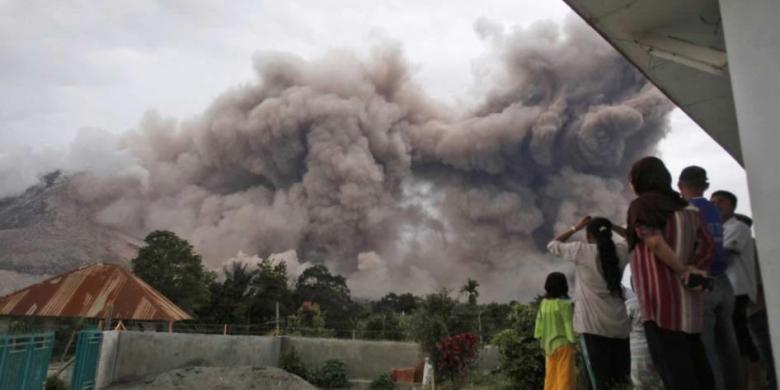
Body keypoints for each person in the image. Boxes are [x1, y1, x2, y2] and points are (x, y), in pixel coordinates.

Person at [625, 156, 714, 390]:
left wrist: (682, 269)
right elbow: (707, 245)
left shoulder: (642, 206)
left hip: (659, 305)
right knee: (698, 366)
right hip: (690, 306)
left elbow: (653, 241)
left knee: (675, 372)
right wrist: (695, 269)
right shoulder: (689, 209)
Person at [547, 216, 630, 389]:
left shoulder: (581, 251)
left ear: (589, 236)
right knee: (622, 379)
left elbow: (552, 245)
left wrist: (575, 227)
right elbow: (633, 237)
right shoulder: (621, 251)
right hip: (620, 325)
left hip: (592, 326)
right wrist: (611, 225)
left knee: (600, 380)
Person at [677, 166, 742, 390]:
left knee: (706, 349)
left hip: (702, 284)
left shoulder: (688, 210)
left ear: (680, 186)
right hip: (723, 282)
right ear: (704, 186)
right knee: (728, 345)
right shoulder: (713, 210)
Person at [711, 191, 761, 383]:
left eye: (720, 202)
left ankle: (753, 382)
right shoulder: (717, 230)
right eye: (712, 202)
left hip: (737, 289)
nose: (715, 205)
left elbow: (725, 252)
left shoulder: (738, 227)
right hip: (725, 291)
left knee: (740, 337)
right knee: (734, 337)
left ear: (732, 205)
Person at [535, 272, 576, 390]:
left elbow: (539, 323)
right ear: (564, 286)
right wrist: (573, 340)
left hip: (548, 346)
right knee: (565, 375)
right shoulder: (564, 305)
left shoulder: (543, 303)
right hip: (563, 345)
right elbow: (568, 325)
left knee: (550, 376)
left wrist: (539, 337)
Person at [625, 288, 662, 388]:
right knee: (657, 382)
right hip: (654, 348)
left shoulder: (629, 305)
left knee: (639, 384)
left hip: (636, 352)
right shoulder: (657, 302)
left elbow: (623, 326)